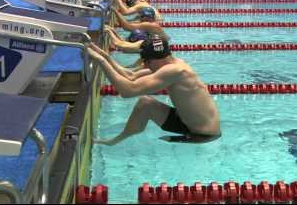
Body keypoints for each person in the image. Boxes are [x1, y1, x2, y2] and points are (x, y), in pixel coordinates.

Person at [88, 36, 221, 144]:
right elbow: (131, 75)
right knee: (145, 103)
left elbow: (127, 91)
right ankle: (116, 141)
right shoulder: (172, 63)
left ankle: (114, 142)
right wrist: (105, 56)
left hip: (203, 134)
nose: (145, 65)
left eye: (147, 61)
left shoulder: (175, 71)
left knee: (145, 102)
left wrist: (101, 61)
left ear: (158, 59)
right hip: (187, 122)